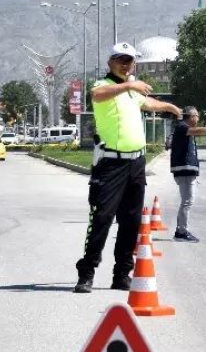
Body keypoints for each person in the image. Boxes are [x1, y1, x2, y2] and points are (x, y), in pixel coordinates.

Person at [74, 43, 183, 294]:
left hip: (136, 164)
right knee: (101, 218)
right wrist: (129, 84)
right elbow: (97, 97)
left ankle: (122, 274)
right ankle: (87, 273)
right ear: (110, 62)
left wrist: (171, 107)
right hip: (111, 164)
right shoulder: (102, 86)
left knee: (131, 222)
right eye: (121, 59)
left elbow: (149, 103)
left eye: (130, 61)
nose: (126, 64)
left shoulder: (132, 92)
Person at [170, 106, 206, 243]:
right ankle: (181, 232)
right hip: (184, 171)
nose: (198, 119)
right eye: (197, 116)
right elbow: (196, 130)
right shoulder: (183, 127)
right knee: (187, 201)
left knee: (187, 201)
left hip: (187, 171)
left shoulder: (185, 129)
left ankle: (181, 230)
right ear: (191, 116)